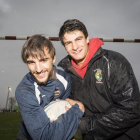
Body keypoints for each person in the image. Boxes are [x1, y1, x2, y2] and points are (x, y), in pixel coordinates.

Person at [58, 19, 140, 140]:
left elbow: (131, 109)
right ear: (64, 46)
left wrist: (86, 125)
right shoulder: (65, 76)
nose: (74, 47)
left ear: (87, 39)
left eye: (78, 39)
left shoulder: (114, 61)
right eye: (68, 42)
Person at [15, 34, 85, 140]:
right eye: (31, 62)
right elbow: (45, 137)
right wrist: (78, 110)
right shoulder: (24, 90)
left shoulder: (64, 79)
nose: (38, 69)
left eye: (43, 60)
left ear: (53, 58)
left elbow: (64, 108)